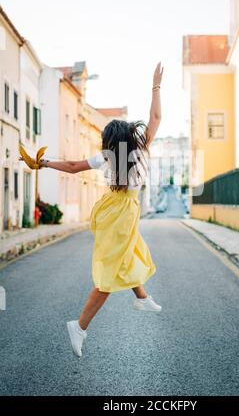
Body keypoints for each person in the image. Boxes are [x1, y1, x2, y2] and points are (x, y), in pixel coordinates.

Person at [19, 62, 164, 357]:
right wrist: (155, 85)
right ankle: (80, 326)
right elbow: (156, 116)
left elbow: (72, 167)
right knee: (110, 273)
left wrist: (44, 163)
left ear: (110, 140)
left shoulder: (107, 156)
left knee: (131, 254)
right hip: (122, 215)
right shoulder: (138, 149)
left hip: (114, 211)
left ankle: (141, 297)